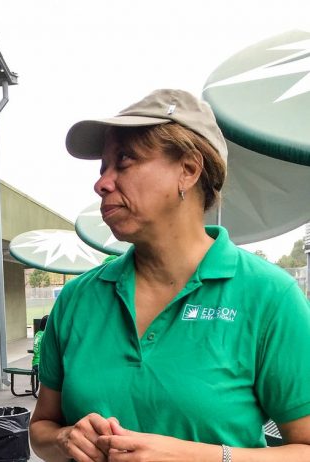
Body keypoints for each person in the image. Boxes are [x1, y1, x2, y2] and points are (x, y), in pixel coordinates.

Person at [29, 88, 310, 461]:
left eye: (124, 160)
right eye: (102, 168)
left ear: (188, 170)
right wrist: (65, 438)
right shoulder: (78, 299)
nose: (102, 183)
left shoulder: (269, 297)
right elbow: (41, 429)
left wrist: (200, 456)